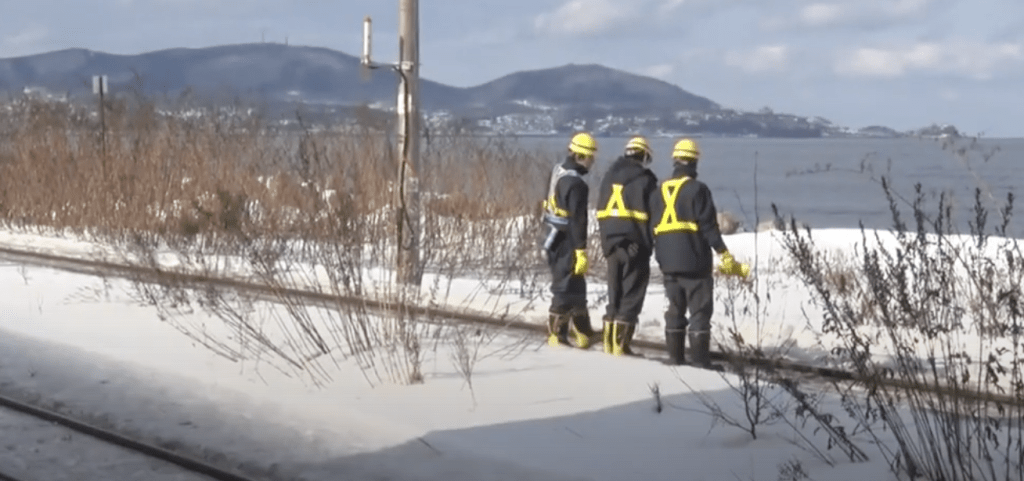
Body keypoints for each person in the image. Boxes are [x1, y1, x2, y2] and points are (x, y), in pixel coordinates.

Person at [649, 138, 750, 368]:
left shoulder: (657, 193)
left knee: (675, 309)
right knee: (699, 312)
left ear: (675, 160)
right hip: (694, 261)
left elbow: (651, 228)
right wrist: (724, 254)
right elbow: (708, 227)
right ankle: (700, 362)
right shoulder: (698, 190)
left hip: (667, 261)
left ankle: (675, 358)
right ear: (695, 162)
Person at [596, 136, 658, 356]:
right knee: (631, 294)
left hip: (611, 245)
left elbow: (600, 212)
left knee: (614, 293)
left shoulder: (608, 177)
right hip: (635, 245)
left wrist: (609, 242)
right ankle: (621, 345)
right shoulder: (646, 180)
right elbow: (653, 215)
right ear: (644, 156)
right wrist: (648, 242)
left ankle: (608, 342)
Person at [540, 132, 599, 349]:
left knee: (575, 286)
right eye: (591, 157)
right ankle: (557, 334)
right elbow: (578, 220)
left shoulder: (558, 171)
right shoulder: (576, 184)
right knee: (565, 287)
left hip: (551, 235)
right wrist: (580, 250)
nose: (593, 162)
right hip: (565, 240)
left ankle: (583, 331)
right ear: (582, 155)